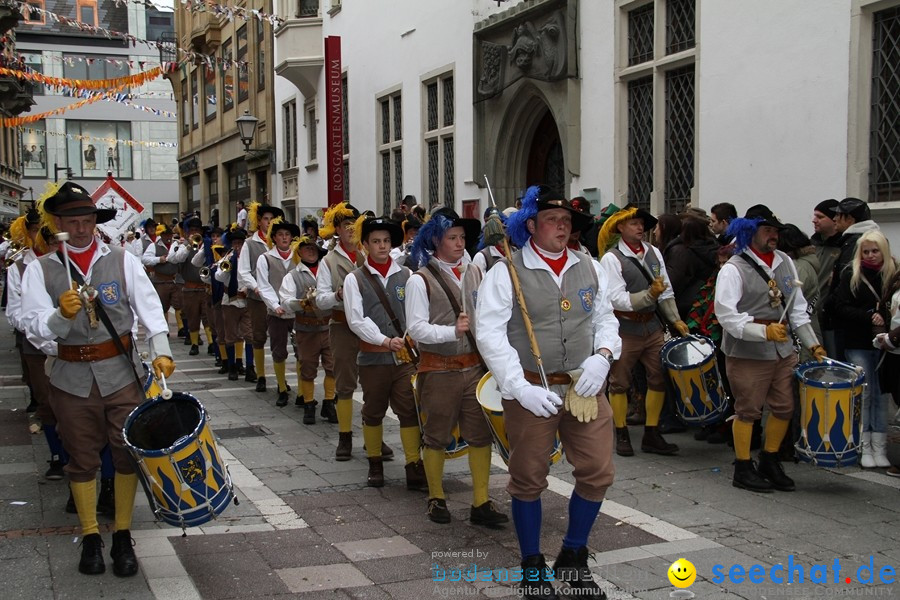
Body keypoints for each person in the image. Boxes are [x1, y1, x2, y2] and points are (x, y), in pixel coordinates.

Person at [21, 182, 175, 576]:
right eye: (73, 221)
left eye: (87, 219)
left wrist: (162, 350)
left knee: (126, 454)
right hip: (71, 377)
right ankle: (90, 536)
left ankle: (122, 534)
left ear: (96, 221)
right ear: (57, 224)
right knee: (81, 458)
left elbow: (150, 307)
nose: (81, 228)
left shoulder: (122, 260)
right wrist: (60, 315)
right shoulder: (40, 270)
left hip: (121, 374)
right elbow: (33, 326)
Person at [475, 184, 619, 600]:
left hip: (582, 384)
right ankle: (532, 568)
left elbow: (605, 319)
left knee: (598, 472)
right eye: (553, 220)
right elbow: (490, 334)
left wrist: (603, 356)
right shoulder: (507, 272)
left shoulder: (591, 267)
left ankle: (573, 557)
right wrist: (518, 387)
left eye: (567, 221)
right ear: (531, 225)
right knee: (529, 477)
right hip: (530, 387)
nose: (562, 227)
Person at [406, 208, 508, 526]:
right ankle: (436, 498)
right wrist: (452, 332)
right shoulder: (419, 280)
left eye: (463, 237)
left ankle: (481, 502)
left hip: (474, 368)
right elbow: (416, 329)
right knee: (435, 435)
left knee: (480, 436)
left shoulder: (474, 272)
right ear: (435, 240)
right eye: (452, 237)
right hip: (439, 368)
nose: (460, 242)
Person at [715, 205, 826, 493]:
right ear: (750, 232)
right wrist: (762, 331)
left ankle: (770, 459)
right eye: (767, 230)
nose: (773, 235)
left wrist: (813, 343)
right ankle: (742, 466)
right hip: (747, 351)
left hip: (782, 349)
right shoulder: (733, 269)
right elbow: (726, 316)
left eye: (776, 230)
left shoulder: (786, 262)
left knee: (784, 407)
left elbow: (797, 309)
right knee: (748, 410)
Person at [598, 205, 690, 457]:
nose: (640, 228)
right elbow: (617, 299)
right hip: (625, 328)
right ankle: (621, 432)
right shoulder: (611, 258)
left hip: (652, 326)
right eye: (634, 223)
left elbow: (667, 289)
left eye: (642, 224)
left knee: (658, 377)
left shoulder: (653, 252)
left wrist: (675, 319)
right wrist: (650, 294)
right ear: (620, 227)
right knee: (619, 382)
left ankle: (652, 432)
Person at [342, 216, 425, 490]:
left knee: (409, 410)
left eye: (386, 241)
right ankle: (374, 462)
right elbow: (356, 320)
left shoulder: (407, 275)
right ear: (365, 245)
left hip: (404, 359)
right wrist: (383, 340)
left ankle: (413, 464)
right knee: (373, 410)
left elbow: (416, 313)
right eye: (376, 241)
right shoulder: (355, 280)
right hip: (373, 358)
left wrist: (412, 337)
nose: (382, 246)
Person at [832, 230, 896, 468]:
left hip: (885, 342)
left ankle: (880, 448)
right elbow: (839, 307)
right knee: (865, 393)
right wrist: (868, 315)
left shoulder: (893, 273)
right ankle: (863, 446)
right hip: (857, 341)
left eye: (875, 250)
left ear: (884, 250)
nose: (870, 255)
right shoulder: (851, 273)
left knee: (881, 395)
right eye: (865, 251)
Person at [317, 202, 373, 460]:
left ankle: (374, 436)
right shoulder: (329, 260)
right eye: (345, 225)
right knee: (345, 383)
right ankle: (345, 436)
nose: (350, 229)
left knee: (375, 382)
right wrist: (338, 295)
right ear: (336, 229)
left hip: (371, 326)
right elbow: (320, 300)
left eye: (354, 224)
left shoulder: (369, 254)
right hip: (341, 325)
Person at [281, 235, 335, 422]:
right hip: (306, 329)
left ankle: (329, 403)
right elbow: (285, 301)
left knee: (332, 366)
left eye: (313, 248)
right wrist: (301, 303)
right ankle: (309, 404)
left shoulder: (326, 270)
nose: (311, 251)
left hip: (328, 326)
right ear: (299, 252)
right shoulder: (293, 276)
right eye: (306, 249)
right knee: (308, 366)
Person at [237, 202, 285, 392]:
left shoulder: (282, 242)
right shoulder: (250, 243)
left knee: (279, 339)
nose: (269, 222)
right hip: (257, 299)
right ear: (259, 222)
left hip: (279, 297)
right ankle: (261, 376)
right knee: (258, 336)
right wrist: (256, 287)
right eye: (266, 219)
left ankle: (281, 380)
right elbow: (243, 271)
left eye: (272, 219)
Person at [256, 218, 301, 407]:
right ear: (274, 238)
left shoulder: (298, 256)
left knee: (302, 351)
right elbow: (264, 286)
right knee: (278, 350)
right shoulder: (265, 258)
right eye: (280, 234)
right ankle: (282, 388)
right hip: (277, 312)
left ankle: (303, 391)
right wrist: (275, 305)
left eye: (287, 235)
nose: (284, 238)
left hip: (297, 311)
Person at [664, 216, 719, 320]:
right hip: (707, 300)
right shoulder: (713, 248)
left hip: (687, 304)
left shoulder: (681, 250)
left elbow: (672, 280)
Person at [216, 227, 252, 381]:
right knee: (230, 335)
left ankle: (249, 366)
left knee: (249, 335)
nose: (238, 246)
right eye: (235, 243)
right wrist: (228, 268)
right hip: (230, 302)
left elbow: (254, 276)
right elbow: (218, 277)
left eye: (240, 243)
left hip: (245, 300)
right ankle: (232, 366)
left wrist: (246, 289)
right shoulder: (226, 258)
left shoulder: (249, 258)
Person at [810, 199, 842, 357]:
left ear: (833, 220)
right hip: (811, 314)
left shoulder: (843, 246)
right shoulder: (812, 244)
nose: (814, 220)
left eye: (820, 216)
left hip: (830, 316)